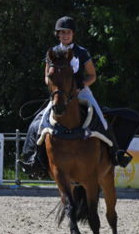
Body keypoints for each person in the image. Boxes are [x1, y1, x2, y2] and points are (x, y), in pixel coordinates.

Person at [19, 15, 124, 176]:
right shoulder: (52, 52)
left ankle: (116, 154)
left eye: (68, 32)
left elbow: (92, 75)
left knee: (102, 122)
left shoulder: (81, 52)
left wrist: (82, 84)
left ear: (73, 33)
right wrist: (53, 86)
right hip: (59, 95)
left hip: (81, 93)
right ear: (58, 35)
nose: (65, 35)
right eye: (62, 32)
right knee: (38, 125)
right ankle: (34, 160)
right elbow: (47, 76)